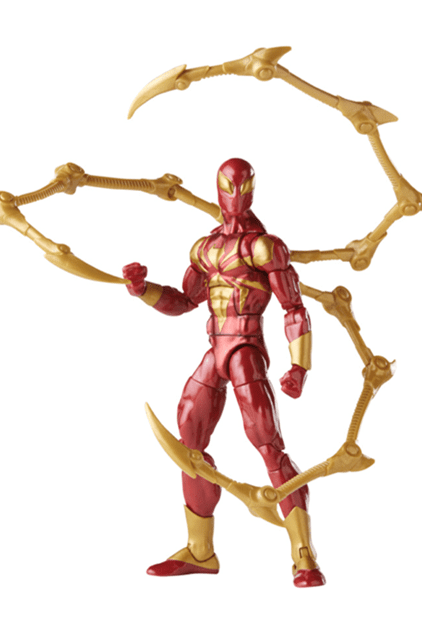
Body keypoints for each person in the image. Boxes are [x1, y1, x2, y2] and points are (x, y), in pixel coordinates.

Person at [122, 158, 325, 587]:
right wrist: (142, 290)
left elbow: (294, 308)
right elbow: (184, 301)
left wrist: (299, 366)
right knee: (189, 441)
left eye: (241, 187)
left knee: (268, 445)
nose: (234, 196)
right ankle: (200, 551)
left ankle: (304, 554)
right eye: (228, 187)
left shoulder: (265, 248)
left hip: (246, 348)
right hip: (215, 348)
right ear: (217, 189)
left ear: (251, 190)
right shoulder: (205, 248)